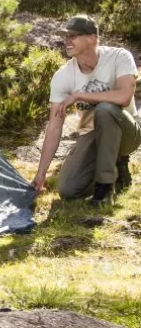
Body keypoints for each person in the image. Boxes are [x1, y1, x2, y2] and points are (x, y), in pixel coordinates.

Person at [32, 15, 141, 206]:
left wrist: (80, 95)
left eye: (72, 36)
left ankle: (105, 189)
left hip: (127, 133)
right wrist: (41, 174)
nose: (67, 41)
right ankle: (117, 172)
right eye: (65, 36)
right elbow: (55, 127)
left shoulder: (119, 57)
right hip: (92, 136)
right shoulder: (63, 76)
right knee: (68, 190)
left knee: (105, 110)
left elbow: (124, 97)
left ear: (91, 38)